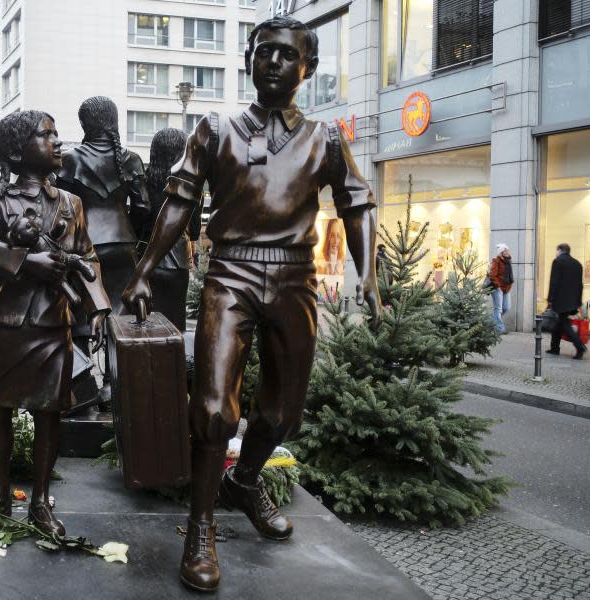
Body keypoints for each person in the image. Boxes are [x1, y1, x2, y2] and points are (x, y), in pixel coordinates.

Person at [123, 15, 381, 592]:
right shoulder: (216, 130)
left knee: (283, 413)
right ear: (248, 60)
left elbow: (358, 204)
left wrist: (368, 275)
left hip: (295, 279)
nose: (273, 62)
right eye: (264, 52)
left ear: (307, 68)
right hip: (231, 274)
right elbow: (178, 203)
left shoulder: (327, 139)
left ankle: (245, 482)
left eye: (287, 55)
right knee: (215, 408)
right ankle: (201, 527)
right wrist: (143, 271)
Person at [0, 110, 110, 535]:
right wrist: (26, 261)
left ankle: (40, 501)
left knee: (50, 412)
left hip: (51, 324)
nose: (58, 142)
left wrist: (98, 307)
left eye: (57, 134)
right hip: (5, 322)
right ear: (15, 151)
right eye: (47, 135)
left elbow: (89, 257)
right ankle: (1, 491)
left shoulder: (70, 204)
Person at [56, 96, 149, 316]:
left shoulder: (70, 160)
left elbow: (61, 208)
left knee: (82, 314)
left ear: (84, 124)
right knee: (124, 315)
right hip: (123, 243)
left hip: (84, 246)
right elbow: (143, 207)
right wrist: (128, 228)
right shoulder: (131, 159)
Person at [140, 127, 199, 332]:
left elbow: (139, 218)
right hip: (177, 261)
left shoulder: (144, 182)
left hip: (145, 259)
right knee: (175, 324)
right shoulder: (188, 184)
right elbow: (195, 227)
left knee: (145, 322)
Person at [546, 243, 587, 359]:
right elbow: (580, 285)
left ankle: (580, 347)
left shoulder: (558, 261)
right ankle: (554, 348)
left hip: (561, 300)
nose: (556, 253)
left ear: (560, 250)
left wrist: (550, 299)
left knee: (564, 323)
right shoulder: (577, 264)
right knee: (559, 323)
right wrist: (578, 301)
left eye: (556, 250)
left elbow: (554, 282)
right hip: (573, 300)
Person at [489, 243, 514, 334]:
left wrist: (509, 286)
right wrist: (498, 286)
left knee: (506, 307)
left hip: (506, 288)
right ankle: (500, 329)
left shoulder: (508, 261)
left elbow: (509, 276)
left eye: (508, 250)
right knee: (498, 309)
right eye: (506, 250)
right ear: (502, 252)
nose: (508, 252)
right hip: (497, 288)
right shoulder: (496, 261)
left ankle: (490, 322)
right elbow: (492, 275)